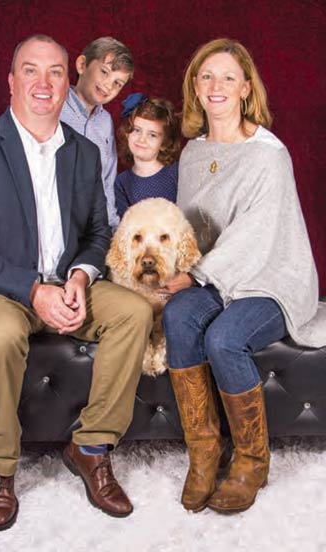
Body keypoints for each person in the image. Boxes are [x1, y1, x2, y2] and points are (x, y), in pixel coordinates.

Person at [0, 34, 153, 531]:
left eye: (55, 71)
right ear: (11, 82)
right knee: (0, 333)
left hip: (67, 283)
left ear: (67, 80)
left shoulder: (82, 151)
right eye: (30, 70)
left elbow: (99, 232)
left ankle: (91, 446)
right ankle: (1, 465)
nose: (44, 82)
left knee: (136, 311)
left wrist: (80, 275)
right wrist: (34, 289)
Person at [161, 38, 326, 514]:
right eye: (207, 76)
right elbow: (194, 228)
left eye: (228, 78)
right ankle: (205, 452)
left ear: (246, 89)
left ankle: (252, 460)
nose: (217, 86)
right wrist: (180, 275)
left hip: (271, 274)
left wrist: (198, 275)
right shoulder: (193, 153)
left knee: (225, 339)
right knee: (179, 318)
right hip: (215, 275)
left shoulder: (267, 154)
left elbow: (256, 237)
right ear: (195, 85)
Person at [60, 36, 134, 230]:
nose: (108, 85)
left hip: (91, 227)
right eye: (104, 72)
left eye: (118, 83)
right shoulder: (54, 105)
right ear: (82, 64)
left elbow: (107, 180)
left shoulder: (105, 122)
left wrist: (112, 229)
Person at [115, 93, 180, 219]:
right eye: (137, 130)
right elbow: (125, 226)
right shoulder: (122, 182)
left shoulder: (176, 173)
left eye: (152, 135)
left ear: (164, 143)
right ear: (127, 133)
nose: (142, 139)